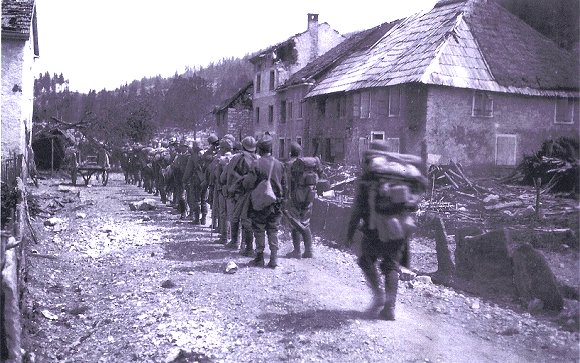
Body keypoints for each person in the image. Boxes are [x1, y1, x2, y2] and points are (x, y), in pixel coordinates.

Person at [344, 141, 427, 320]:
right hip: (400, 228)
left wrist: (350, 234)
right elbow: (417, 195)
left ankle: (379, 295)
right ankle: (390, 308)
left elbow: (357, 209)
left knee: (365, 261)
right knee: (391, 266)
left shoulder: (370, 175)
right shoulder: (403, 172)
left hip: (374, 229)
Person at [244, 135, 286, 268]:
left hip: (260, 203)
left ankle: (259, 258)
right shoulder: (280, 164)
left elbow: (248, 184)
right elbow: (285, 186)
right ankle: (274, 259)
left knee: (259, 229)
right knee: (273, 230)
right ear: (271, 149)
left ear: (259, 149)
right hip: (276, 203)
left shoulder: (256, 164)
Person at [284, 142, 323, 258]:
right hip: (309, 195)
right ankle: (309, 250)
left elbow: (286, 183)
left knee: (295, 222)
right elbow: (320, 176)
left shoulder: (288, 164)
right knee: (306, 222)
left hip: (295, 196)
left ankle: (296, 251)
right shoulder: (308, 165)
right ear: (300, 152)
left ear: (290, 152)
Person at [223, 136, 259, 255]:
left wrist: (230, 189)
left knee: (235, 217)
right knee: (248, 219)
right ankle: (246, 245)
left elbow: (228, 175)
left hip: (238, 194)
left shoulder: (236, 158)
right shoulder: (258, 159)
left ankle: (235, 242)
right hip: (254, 194)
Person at [182, 141, 204, 224]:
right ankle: (204, 218)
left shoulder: (193, 157)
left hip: (196, 180)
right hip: (206, 181)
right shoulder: (206, 155)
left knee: (195, 199)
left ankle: (196, 219)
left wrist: (184, 180)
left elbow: (188, 170)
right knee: (204, 200)